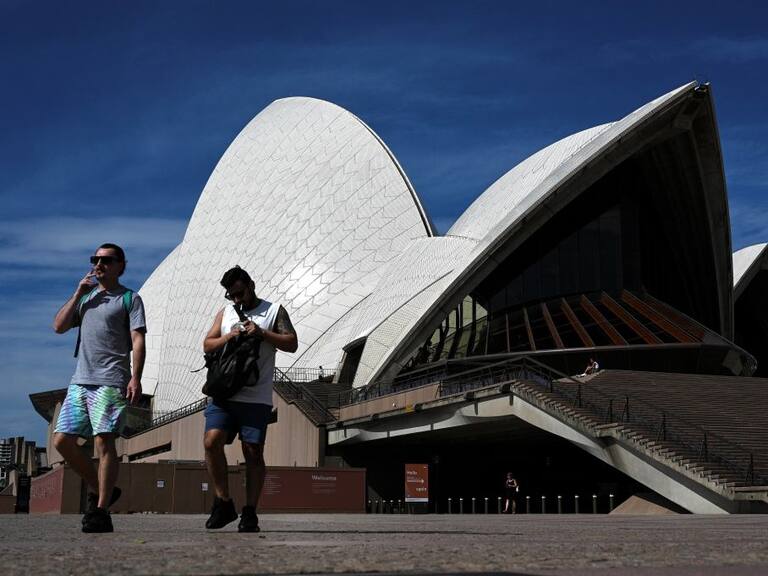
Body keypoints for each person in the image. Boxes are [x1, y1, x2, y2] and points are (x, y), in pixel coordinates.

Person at [52, 243, 146, 533]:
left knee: (104, 442)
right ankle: (101, 487)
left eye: (106, 260)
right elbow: (58, 326)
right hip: (80, 380)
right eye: (95, 259)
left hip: (111, 379)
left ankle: (101, 509)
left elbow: (138, 339)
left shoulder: (130, 298)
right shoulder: (87, 299)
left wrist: (135, 377)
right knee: (61, 442)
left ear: (121, 265)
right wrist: (79, 293)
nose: (99, 264)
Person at [202, 266, 297, 532]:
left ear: (251, 286)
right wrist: (229, 335)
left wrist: (261, 333)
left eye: (240, 293)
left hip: (256, 397)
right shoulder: (226, 313)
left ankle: (250, 512)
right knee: (211, 442)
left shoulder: (274, 311)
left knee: (253, 452)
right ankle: (224, 502)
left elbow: (291, 343)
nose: (237, 300)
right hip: (224, 393)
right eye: (231, 296)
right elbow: (207, 344)